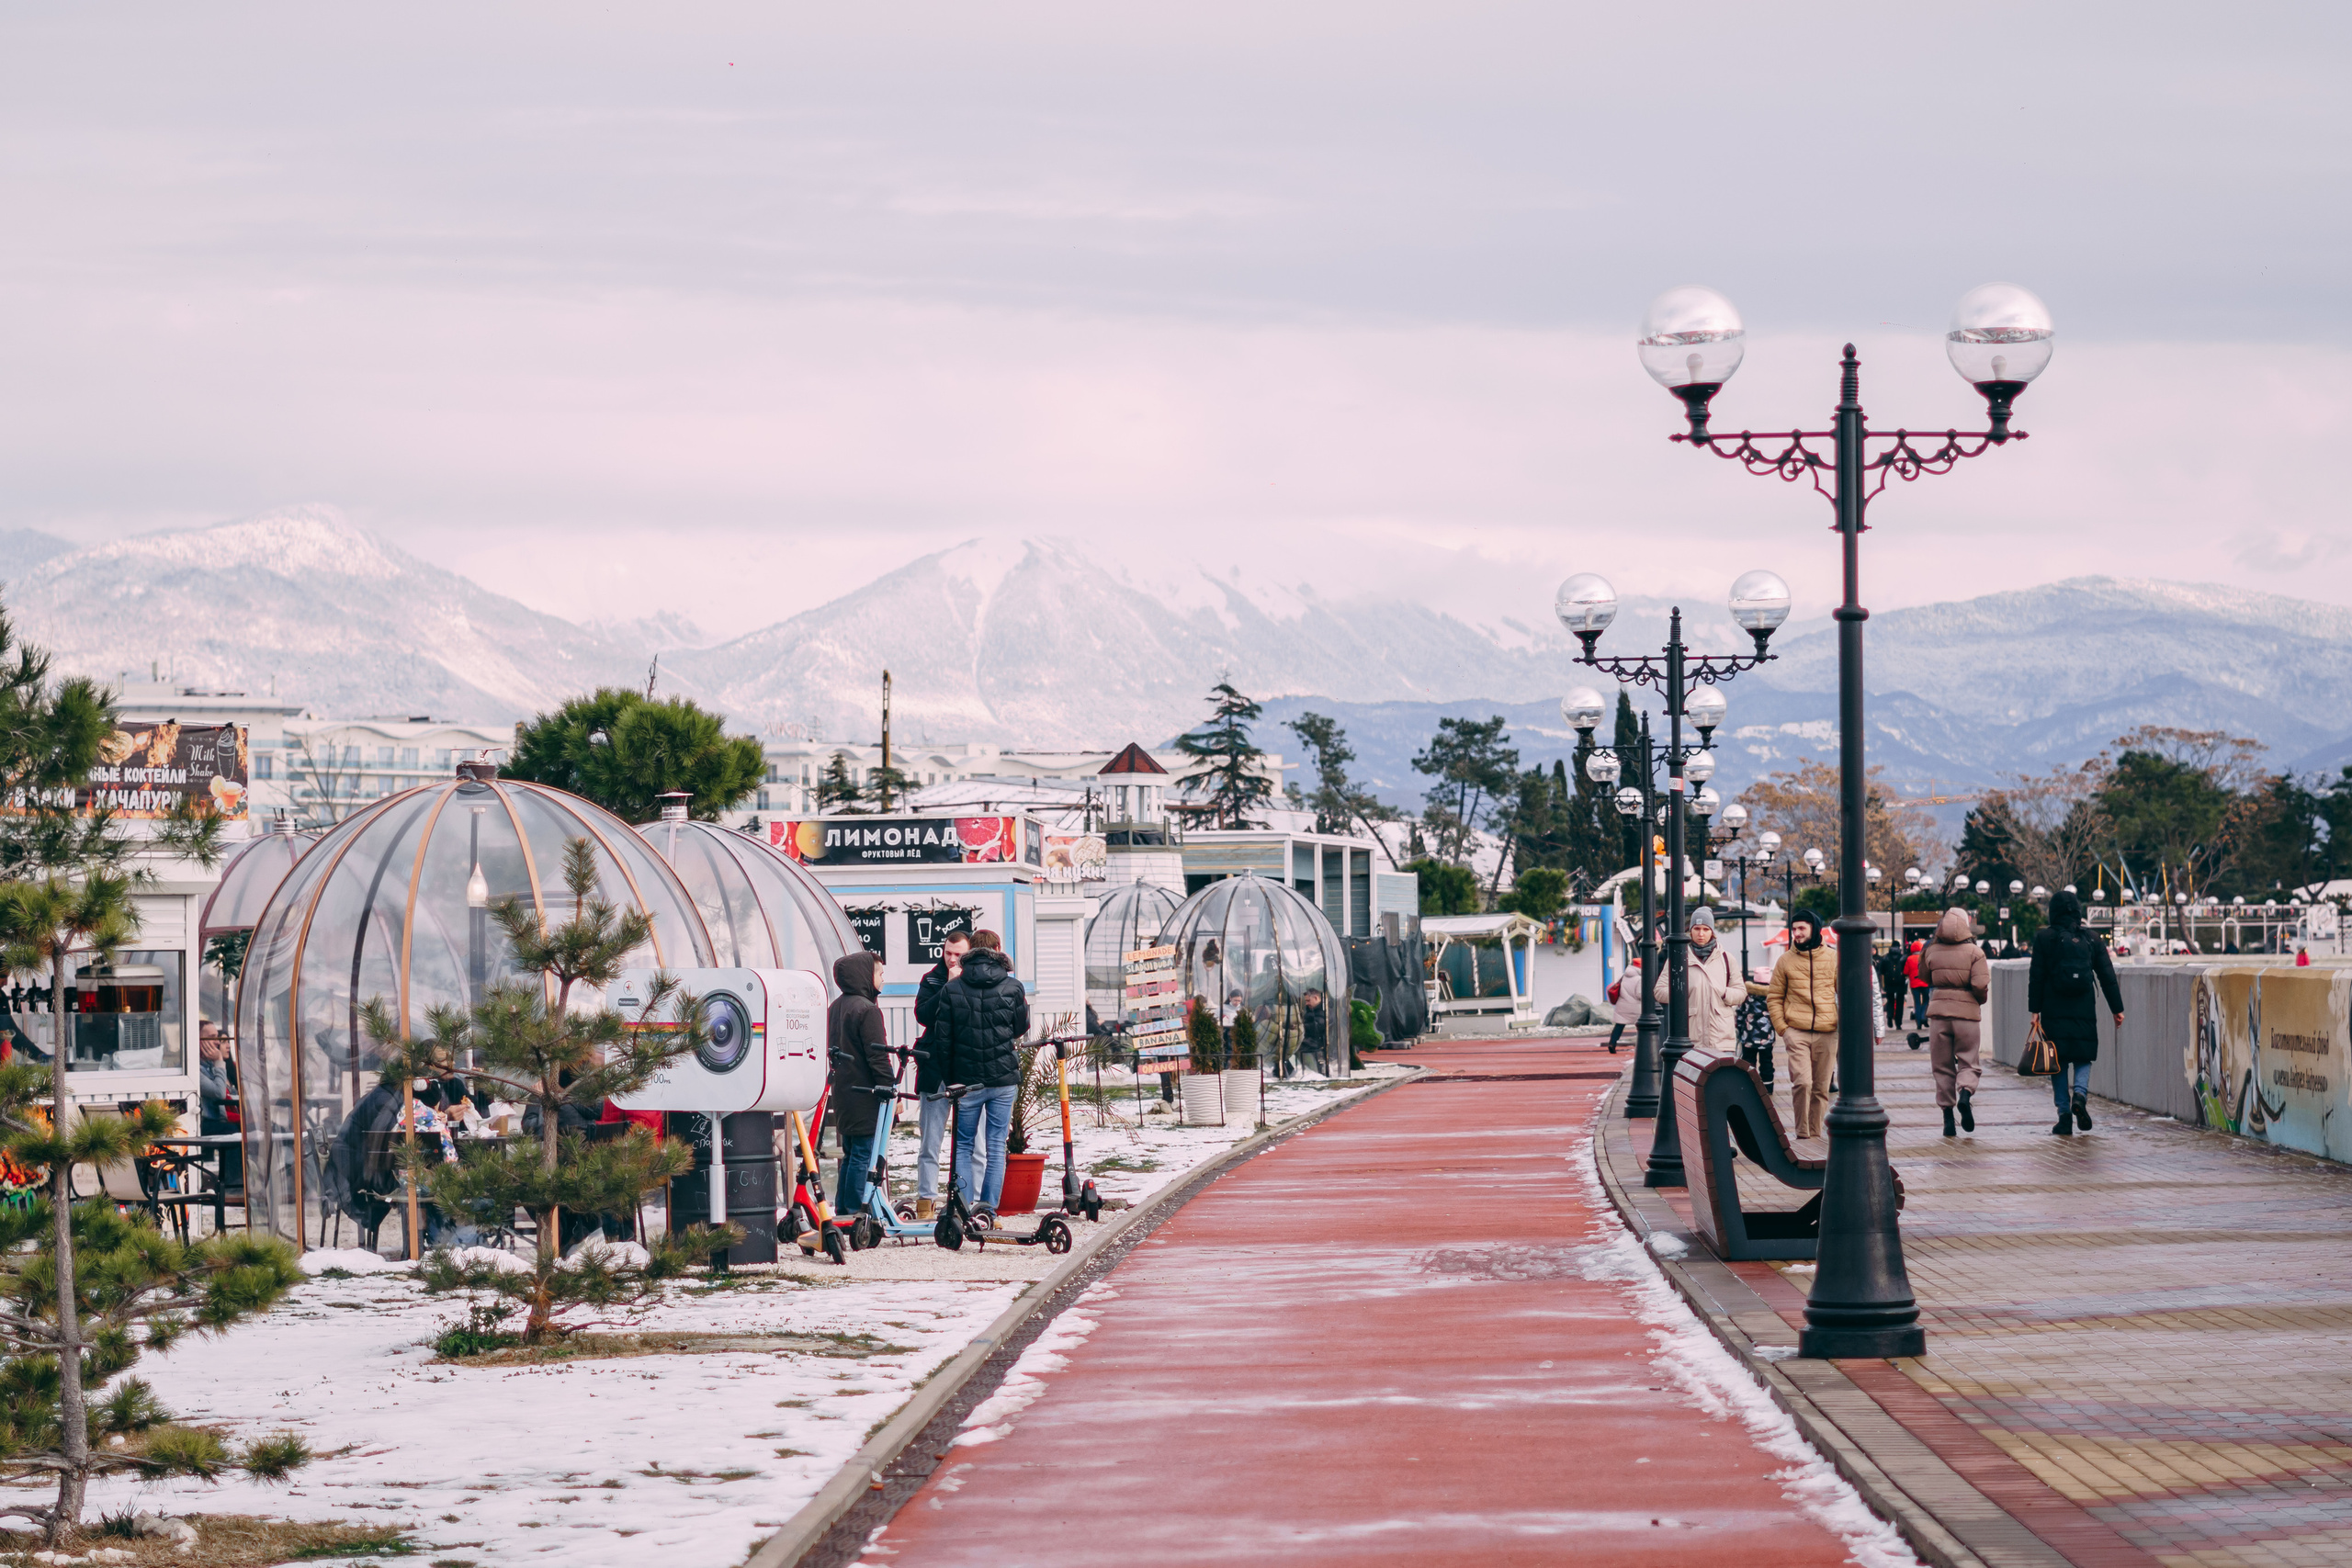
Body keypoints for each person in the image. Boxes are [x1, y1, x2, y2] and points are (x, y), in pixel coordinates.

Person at [933, 930, 1028, 1220]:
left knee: (963, 1144)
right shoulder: (1013, 986)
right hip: (1002, 1080)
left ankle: (961, 1208)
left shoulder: (952, 989)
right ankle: (988, 1211)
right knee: (996, 1146)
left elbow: (943, 1039)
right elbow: (1020, 1027)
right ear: (998, 949)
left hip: (966, 1080)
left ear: (969, 951)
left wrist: (951, 1079)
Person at [2028, 889, 2123, 1137]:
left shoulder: (2044, 938)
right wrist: (2117, 1009)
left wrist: (2034, 1010)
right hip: (2083, 1009)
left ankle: (2064, 1116)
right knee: (2082, 1056)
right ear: (2079, 912)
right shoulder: (2091, 938)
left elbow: (2036, 977)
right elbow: (2107, 976)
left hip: (2053, 1009)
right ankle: (2079, 1096)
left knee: (2056, 1062)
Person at [827, 951, 898, 1219]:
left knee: (850, 1153)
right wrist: (891, 1091)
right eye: (879, 973)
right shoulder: (867, 1010)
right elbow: (877, 1056)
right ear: (864, 975)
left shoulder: (836, 1007)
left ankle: (844, 1209)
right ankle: (858, 1212)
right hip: (867, 1094)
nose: (882, 979)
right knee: (864, 1154)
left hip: (844, 1092)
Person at [909, 931, 971, 1221]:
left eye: (958, 954)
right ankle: (926, 1201)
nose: (951, 959)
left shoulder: (975, 980)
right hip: (935, 1067)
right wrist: (947, 987)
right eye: (948, 952)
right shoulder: (933, 979)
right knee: (930, 1140)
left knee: (972, 1142)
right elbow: (923, 1015)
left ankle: (970, 1202)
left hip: (965, 1066)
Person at [1766, 912, 1838, 1141]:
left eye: (1801, 929)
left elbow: (1845, 993)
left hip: (1828, 1032)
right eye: (1794, 929)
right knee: (1803, 1083)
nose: (1796, 934)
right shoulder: (1785, 960)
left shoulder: (1833, 958)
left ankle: (1815, 1135)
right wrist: (1783, 1029)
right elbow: (1774, 997)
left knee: (1821, 1087)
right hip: (1796, 1031)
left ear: (1814, 929)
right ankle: (1803, 1133)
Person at [1922, 907, 1990, 1137]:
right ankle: (1965, 1095)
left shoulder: (1931, 950)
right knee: (1969, 1061)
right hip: (1967, 1014)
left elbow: (1924, 976)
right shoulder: (1975, 952)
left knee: (1941, 1067)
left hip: (1939, 1013)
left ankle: (1948, 1118)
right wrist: (1978, 1000)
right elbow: (1980, 985)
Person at [1654, 908, 1741, 1054]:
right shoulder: (1678, 958)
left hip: (1722, 1041)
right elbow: (1659, 991)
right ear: (1691, 930)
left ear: (1712, 932)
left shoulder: (1726, 958)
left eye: (1706, 929)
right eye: (1697, 928)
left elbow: (1741, 992)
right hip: (1690, 1040)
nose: (1701, 934)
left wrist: (1725, 993)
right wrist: (1681, 993)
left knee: (1721, 1076)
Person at [198, 1024, 243, 1190]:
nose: (217, 1042)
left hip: (217, 1119)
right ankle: (233, 1185)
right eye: (211, 1037)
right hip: (203, 1122)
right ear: (198, 1041)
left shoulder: (209, 1066)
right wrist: (219, 1061)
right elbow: (219, 1093)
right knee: (232, 1133)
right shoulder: (196, 1068)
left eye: (217, 1037)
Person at [1876, 941, 1906, 1030]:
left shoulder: (1886, 958)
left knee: (1890, 1001)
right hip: (1901, 983)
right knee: (1900, 1003)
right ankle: (1898, 1023)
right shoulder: (1902, 957)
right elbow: (1905, 970)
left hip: (1889, 982)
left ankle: (1889, 1015)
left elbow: (1881, 970)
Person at [1298, 988, 1329, 1074]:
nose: (1307, 1003)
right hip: (1309, 1046)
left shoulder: (1322, 1012)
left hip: (1313, 1047)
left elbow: (1317, 1027)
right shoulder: (1311, 1011)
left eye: (1308, 1000)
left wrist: (1301, 1027)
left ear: (1315, 998)